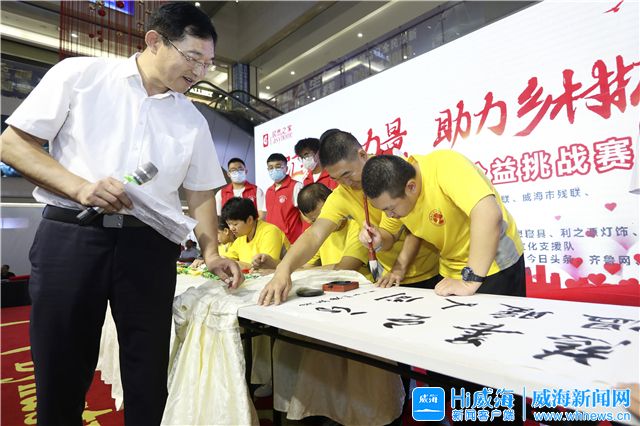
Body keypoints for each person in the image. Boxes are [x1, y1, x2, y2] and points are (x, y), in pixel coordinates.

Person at [0, 3, 243, 424]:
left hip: (149, 247)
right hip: (72, 237)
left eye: (208, 63)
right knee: (60, 366)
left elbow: (201, 193)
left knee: (148, 370)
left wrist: (211, 252)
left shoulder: (192, 119)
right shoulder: (81, 76)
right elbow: (13, 144)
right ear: (154, 41)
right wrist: (80, 187)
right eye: (192, 57)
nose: (200, 71)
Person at [259, 129, 440, 306]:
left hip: (429, 272)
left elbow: (414, 227)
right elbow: (314, 234)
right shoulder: (342, 194)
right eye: (336, 178)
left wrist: (399, 267)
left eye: (347, 174)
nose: (345, 183)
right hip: (390, 278)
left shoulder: (392, 171)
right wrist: (283, 269)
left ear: (362, 155)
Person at [360, 151, 525, 297]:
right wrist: (378, 239)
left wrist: (470, 281)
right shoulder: (395, 194)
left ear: (411, 187)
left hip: (493, 264)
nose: (389, 215)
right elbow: (390, 235)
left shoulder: (446, 166)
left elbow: (488, 214)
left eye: (390, 209)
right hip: (452, 270)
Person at [297, 183, 370, 279]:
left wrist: (307, 271)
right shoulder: (317, 231)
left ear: (333, 203)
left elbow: (345, 268)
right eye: (315, 220)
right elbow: (306, 267)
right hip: (330, 284)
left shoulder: (357, 225)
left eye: (324, 215)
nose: (322, 223)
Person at [222, 197, 290, 270]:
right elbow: (227, 259)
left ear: (250, 220)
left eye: (235, 224)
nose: (231, 228)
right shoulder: (241, 237)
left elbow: (267, 266)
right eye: (229, 224)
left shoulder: (270, 232)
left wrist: (242, 266)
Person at [264, 153, 304, 244]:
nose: (274, 170)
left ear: (286, 168)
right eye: (271, 167)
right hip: (272, 240)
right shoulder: (269, 191)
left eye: (278, 166)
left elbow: (304, 215)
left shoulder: (296, 186)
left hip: (291, 241)